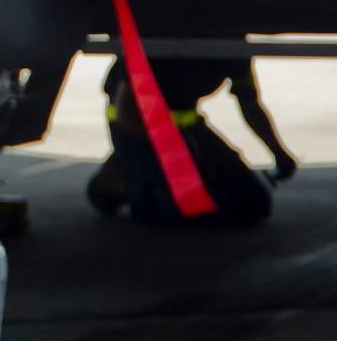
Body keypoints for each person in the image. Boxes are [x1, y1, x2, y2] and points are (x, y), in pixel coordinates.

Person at [86, 56, 295, 224]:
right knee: (195, 211)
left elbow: (249, 103)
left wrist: (277, 151)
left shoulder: (231, 44)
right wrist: (173, 154)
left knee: (254, 203)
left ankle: (144, 173)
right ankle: (121, 180)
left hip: (190, 129)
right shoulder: (160, 34)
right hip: (136, 128)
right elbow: (126, 110)